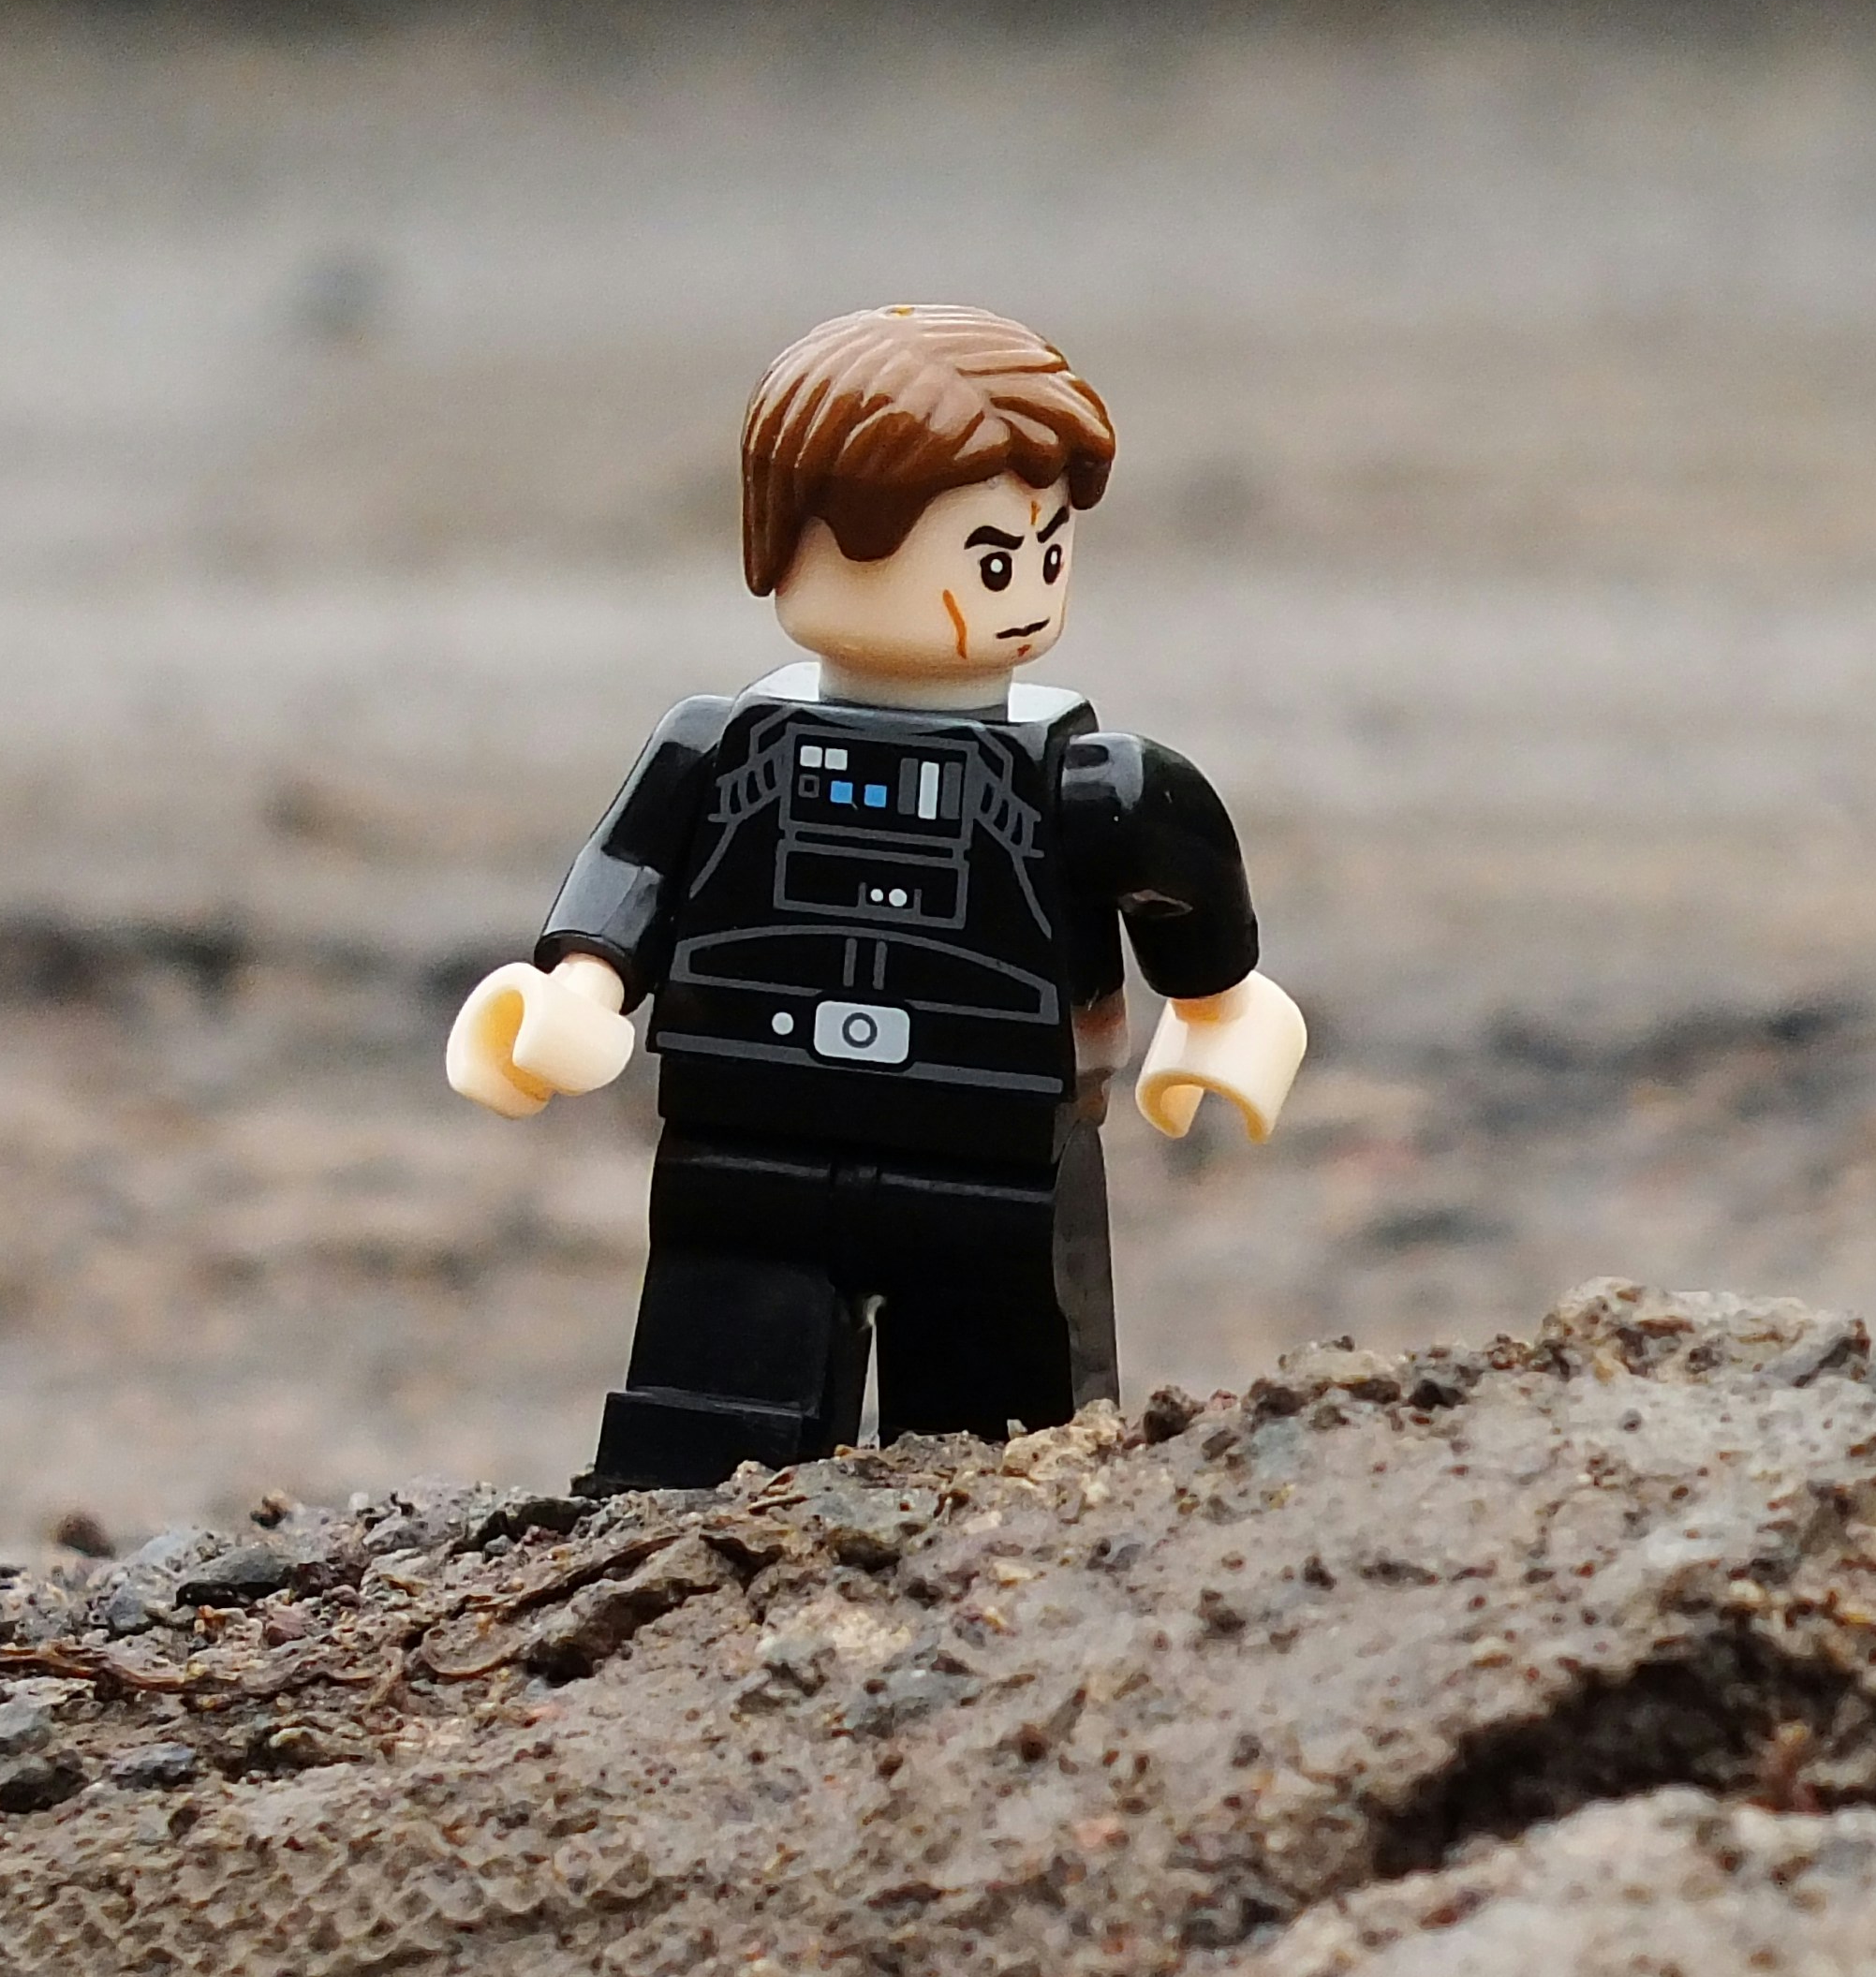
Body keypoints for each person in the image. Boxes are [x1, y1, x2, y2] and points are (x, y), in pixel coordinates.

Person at [446, 303, 1307, 1491]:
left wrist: (1223, 1001)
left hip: (994, 1146)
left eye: (1044, 554)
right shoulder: (724, 746)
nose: (1024, 591)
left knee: (1001, 1426)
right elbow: (633, 872)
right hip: (751, 1134)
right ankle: (684, 1536)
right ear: (793, 545)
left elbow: (1184, 871)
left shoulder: (1077, 775)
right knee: (713, 1405)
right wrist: (577, 989)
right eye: (987, 560)